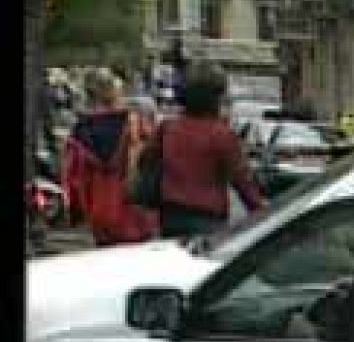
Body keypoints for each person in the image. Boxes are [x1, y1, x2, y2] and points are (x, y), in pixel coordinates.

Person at [143, 60, 267, 239]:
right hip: (207, 220)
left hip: (170, 216)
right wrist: (265, 214)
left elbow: (146, 162)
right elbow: (242, 181)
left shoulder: (167, 128)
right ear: (215, 98)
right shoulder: (222, 135)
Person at [61, 68, 157, 246]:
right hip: (135, 211)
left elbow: (74, 178)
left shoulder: (80, 132)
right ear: (116, 93)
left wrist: (75, 213)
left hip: (99, 212)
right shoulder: (136, 125)